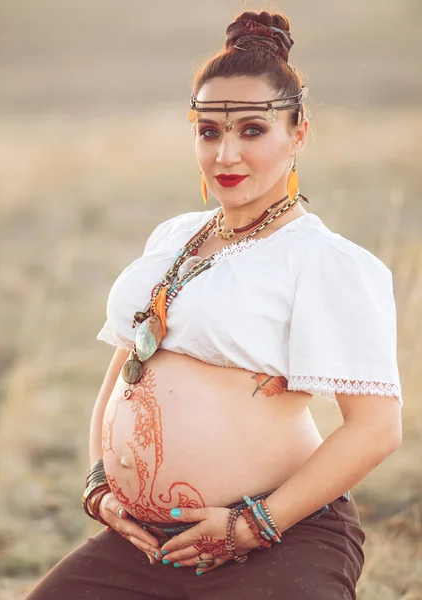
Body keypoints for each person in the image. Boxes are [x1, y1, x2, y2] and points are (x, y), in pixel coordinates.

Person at [27, 10, 402, 600]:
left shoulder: (321, 260)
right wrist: (102, 479)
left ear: (298, 133)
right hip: (152, 541)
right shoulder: (173, 237)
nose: (226, 154)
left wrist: (252, 525)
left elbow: (376, 430)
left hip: (281, 538)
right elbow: (127, 367)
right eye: (209, 131)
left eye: (252, 130)